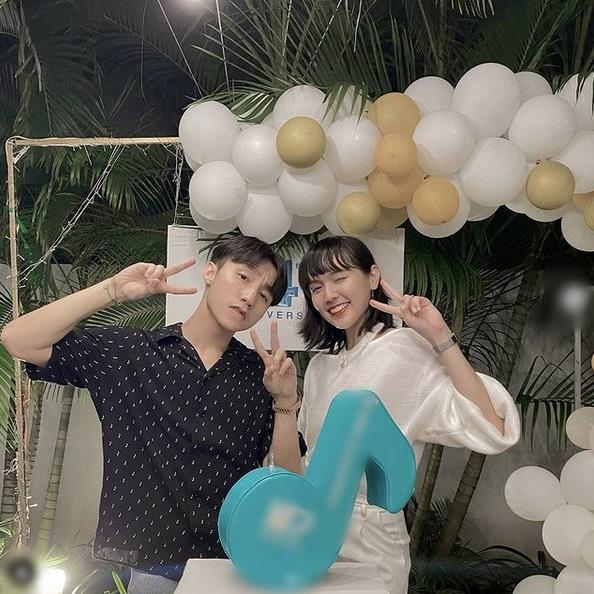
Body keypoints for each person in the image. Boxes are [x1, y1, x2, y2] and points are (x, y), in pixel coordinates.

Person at [0, 235, 304, 594]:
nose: (250, 296)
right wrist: (112, 289)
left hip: (227, 570)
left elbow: (289, 488)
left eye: (264, 295)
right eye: (243, 277)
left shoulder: (261, 377)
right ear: (210, 271)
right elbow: (18, 339)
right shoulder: (130, 353)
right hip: (140, 569)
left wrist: (285, 402)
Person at [295, 235, 521, 594]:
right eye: (316, 287)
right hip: (312, 534)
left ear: (372, 277)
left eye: (339, 278)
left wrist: (439, 335)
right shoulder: (320, 366)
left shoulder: (403, 349)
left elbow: (491, 427)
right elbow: (309, 459)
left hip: (369, 541)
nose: (329, 295)